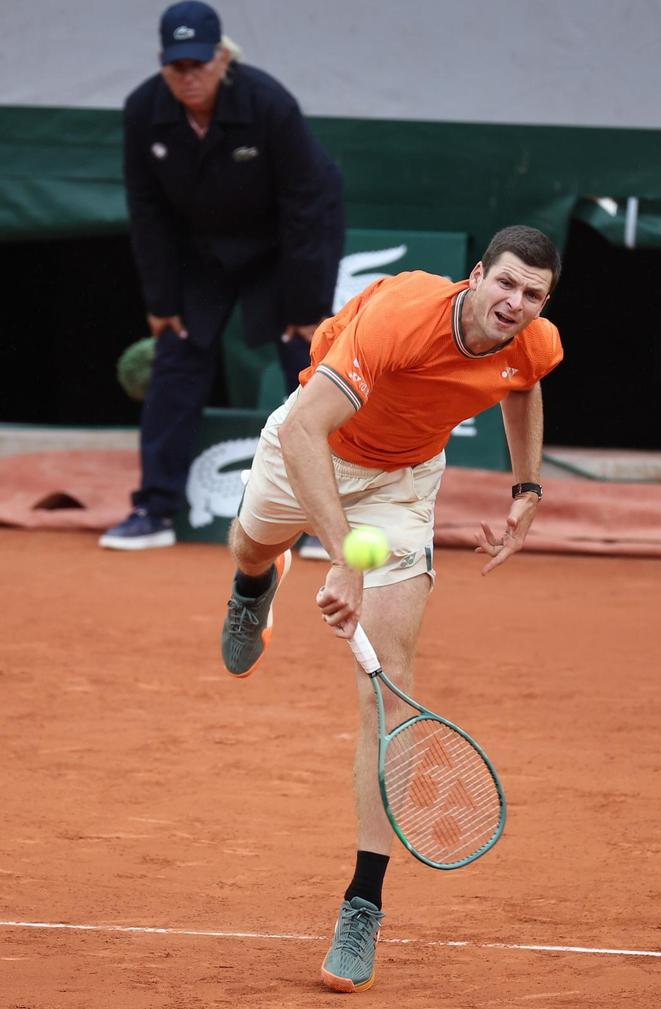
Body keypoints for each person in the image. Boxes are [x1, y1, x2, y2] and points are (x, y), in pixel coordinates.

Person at [220, 224, 563, 992]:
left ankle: (362, 900)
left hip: (403, 484)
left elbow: (524, 386)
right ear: (477, 275)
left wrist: (527, 488)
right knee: (248, 544)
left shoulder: (533, 341)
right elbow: (308, 425)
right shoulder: (404, 316)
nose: (515, 303)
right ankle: (253, 585)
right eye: (504, 283)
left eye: (532, 294)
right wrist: (342, 557)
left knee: (390, 681)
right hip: (313, 447)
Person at [100, 0, 344, 550]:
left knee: (309, 374)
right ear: (164, 64)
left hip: (285, 244)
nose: (188, 77)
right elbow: (147, 210)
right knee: (177, 357)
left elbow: (307, 207)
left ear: (222, 57)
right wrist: (162, 301)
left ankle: (319, 522)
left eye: (199, 64)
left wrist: (306, 309)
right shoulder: (144, 110)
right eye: (176, 66)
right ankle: (155, 510)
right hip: (202, 251)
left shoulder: (268, 104)